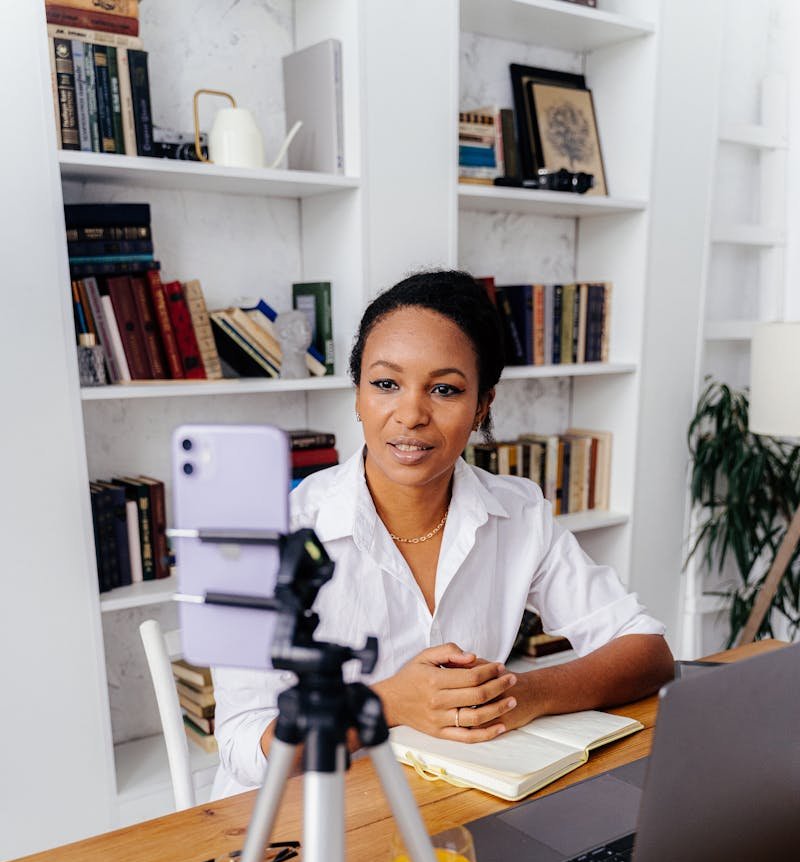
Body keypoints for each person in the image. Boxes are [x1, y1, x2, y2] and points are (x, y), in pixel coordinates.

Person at [211, 269, 673, 799]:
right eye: (385, 384)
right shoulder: (274, 535)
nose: (410, 414)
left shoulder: (517, 513)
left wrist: (523, 692)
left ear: (482, 406)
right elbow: (246, 749)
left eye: (445, 389)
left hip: (446, 800)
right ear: (357, 394)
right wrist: (385, 704)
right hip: (298, 818)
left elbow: (647, 650)